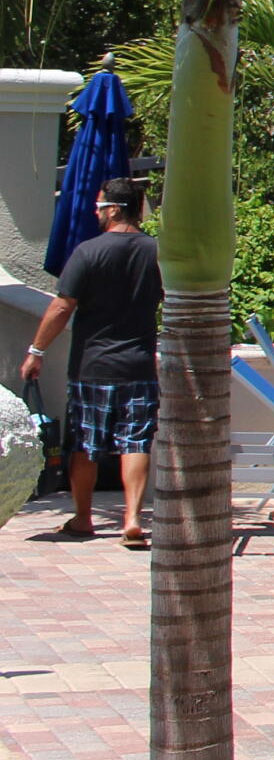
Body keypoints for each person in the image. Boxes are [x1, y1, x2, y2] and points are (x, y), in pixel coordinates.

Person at [17, 176, 162, 547]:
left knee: (85, 444)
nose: (95, 212)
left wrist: (36, 351)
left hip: (92, 367)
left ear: (114, 208)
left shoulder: (88, 252)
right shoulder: (156, 252)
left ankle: (83, 519)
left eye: (99, 206)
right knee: (136, 443)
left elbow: (62, 306)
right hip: (139, 365)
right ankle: (131, 519)